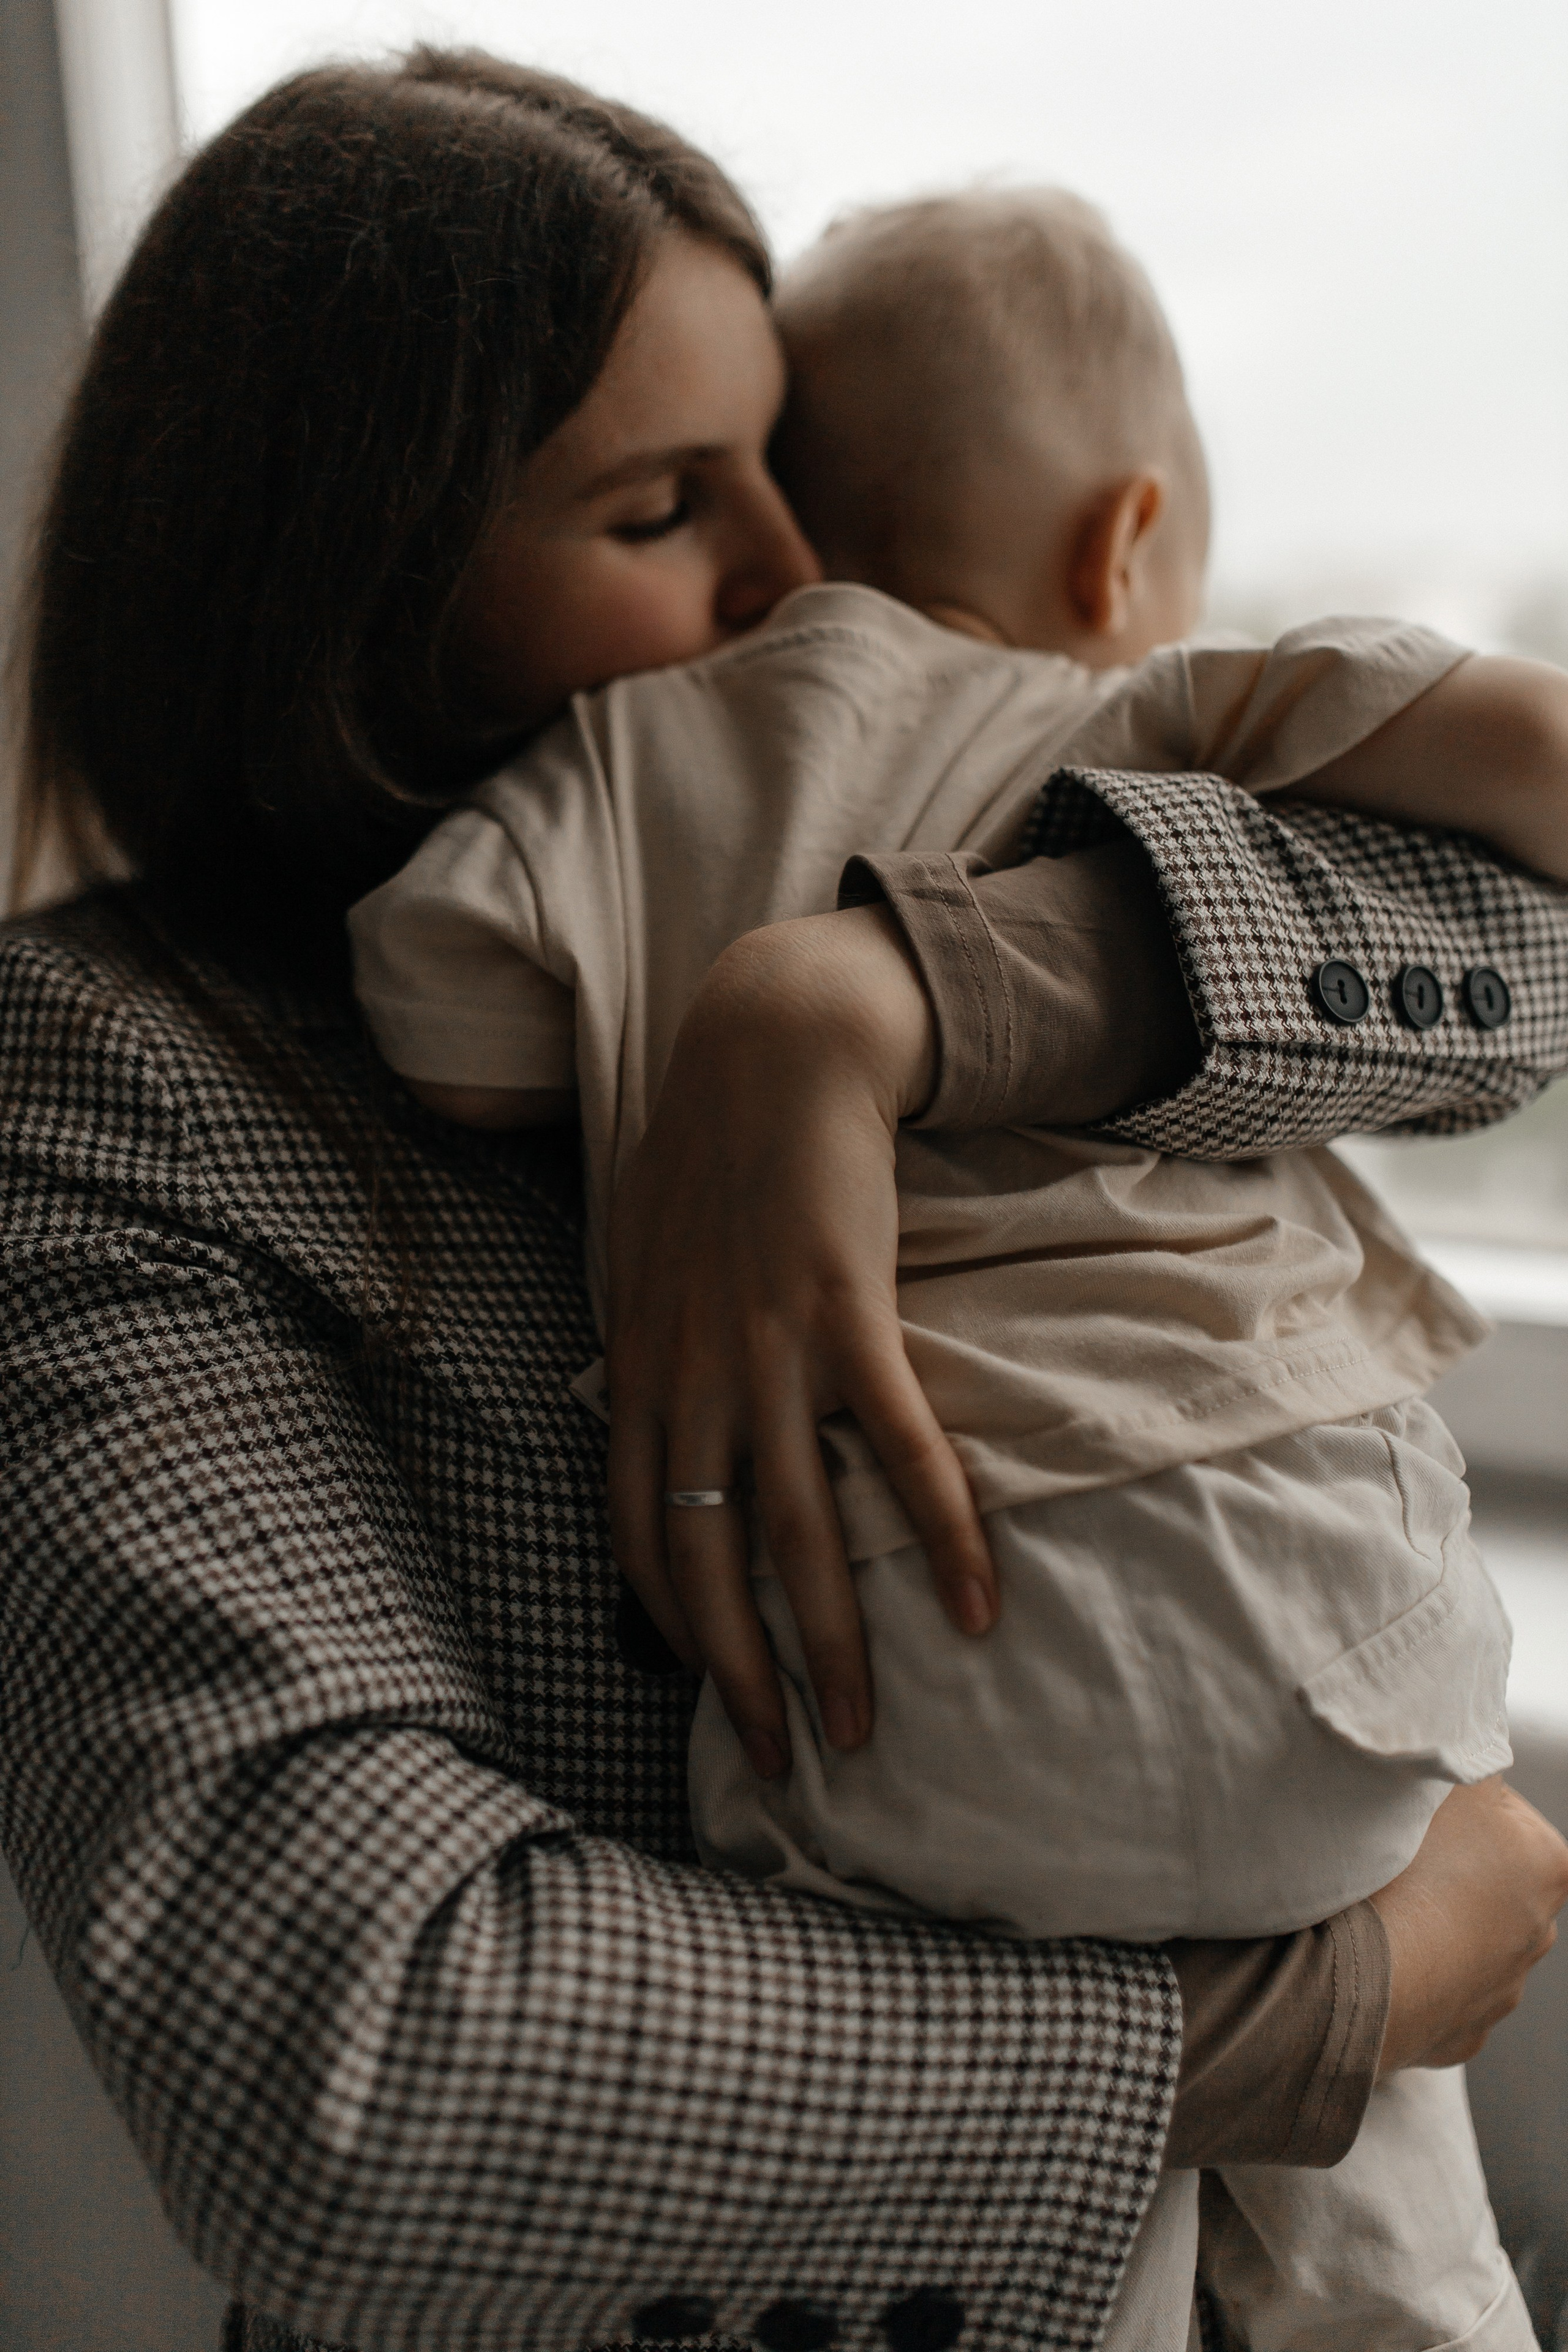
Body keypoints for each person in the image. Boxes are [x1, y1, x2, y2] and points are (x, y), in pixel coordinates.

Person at [3, 49, 1567, 2352]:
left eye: (794, 470)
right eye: (665, 509)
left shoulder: (902, 811)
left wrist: (885, 997)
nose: (802, 580)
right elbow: (364, 2074)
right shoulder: (118, 1077)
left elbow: (1520, 956)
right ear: (348, 575)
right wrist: (1303, 2013)